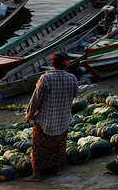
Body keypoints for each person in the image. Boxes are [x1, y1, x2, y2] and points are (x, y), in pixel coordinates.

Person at [23, 52, 77, 182]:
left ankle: (37, 175)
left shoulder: (45, 78)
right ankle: (57, 170)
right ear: (66, 65)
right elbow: (75, 94)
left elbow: (36, 99)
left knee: (39, 147)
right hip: (63, 119)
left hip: (45, 120)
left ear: (52, 64)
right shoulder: (72, 78)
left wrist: (29, 113)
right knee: (59, 145)